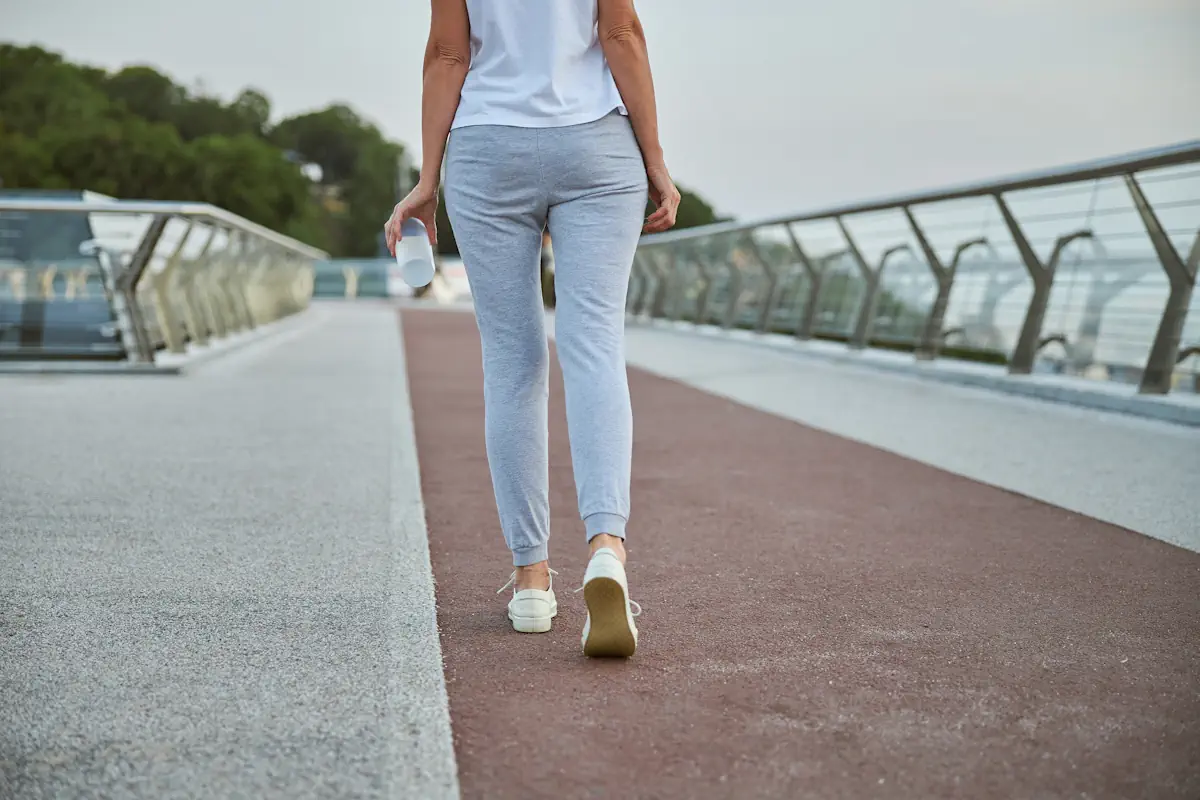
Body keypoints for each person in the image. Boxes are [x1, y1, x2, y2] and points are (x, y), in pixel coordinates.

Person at [385, 0, 680, 658]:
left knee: (513, 364)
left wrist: (428, 180)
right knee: (595, 347)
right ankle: (606, 548)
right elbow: (621, 33)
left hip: (488, 147)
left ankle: (531, 582)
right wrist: (655, 160)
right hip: (596, 146)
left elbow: (448, 54)